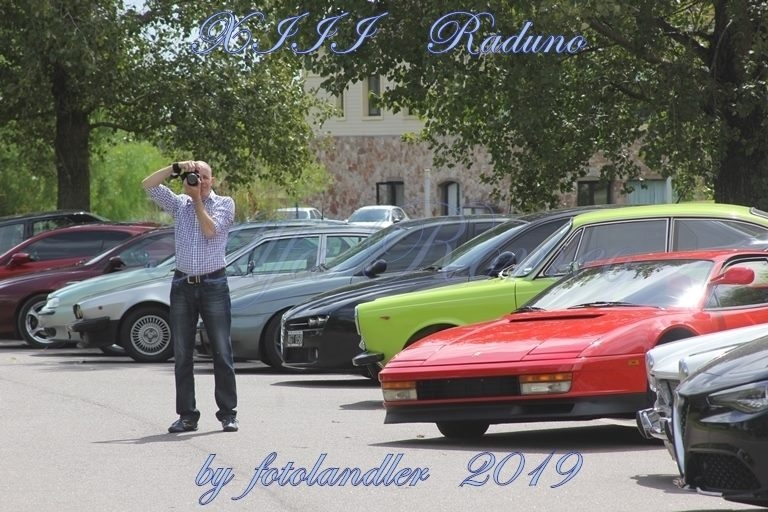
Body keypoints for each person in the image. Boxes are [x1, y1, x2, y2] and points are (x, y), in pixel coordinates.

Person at [142, 160, 239, 433]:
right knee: (183, 352)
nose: (201, 181)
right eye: (196, 176)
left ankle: (228, 414)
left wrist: (196, 200)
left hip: (213, 283)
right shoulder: (179, 204)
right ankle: (187, 416)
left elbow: (210, 230)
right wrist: (174, 167)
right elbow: (148, 185)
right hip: (183, 283)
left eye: (205, 177)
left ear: (213, 180)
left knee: (221, 350)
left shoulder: (224, 204)